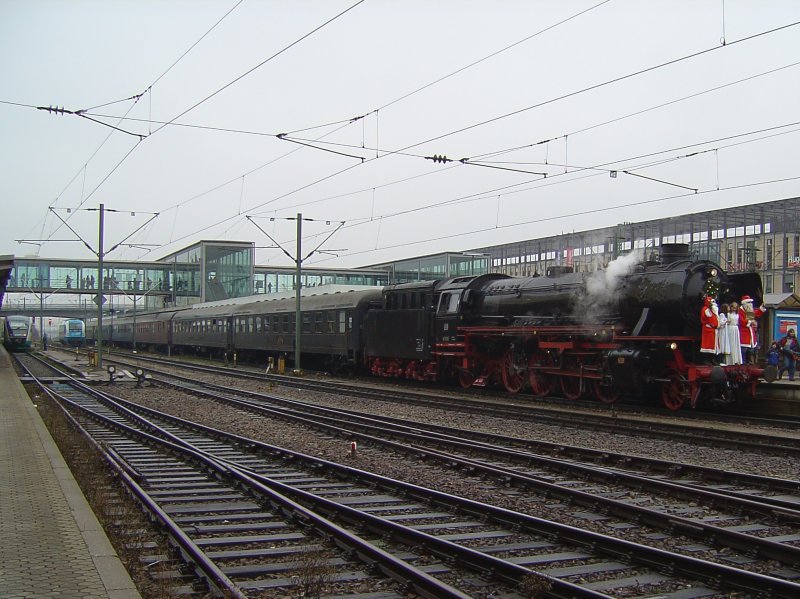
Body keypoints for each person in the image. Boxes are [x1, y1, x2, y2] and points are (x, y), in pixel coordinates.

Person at [738, 295, 766, 364]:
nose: (750, 304)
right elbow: (741, 321)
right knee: (744, 349)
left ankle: (749, 362)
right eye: (748, 302)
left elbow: (756, 313)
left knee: (751, 350)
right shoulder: (740, 311)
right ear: (744, 303)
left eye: (751, 302)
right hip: (743, 333)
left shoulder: (748, 311)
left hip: (750, 333)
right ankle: (743, 362)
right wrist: (750, 321)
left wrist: (761, 308)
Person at [700, 296, 718, 363]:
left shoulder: (714, 310)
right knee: (708, 344)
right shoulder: (706, 309)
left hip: (714, 330)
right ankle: (707, 360)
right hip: (709, 329)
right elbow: (708, 317)